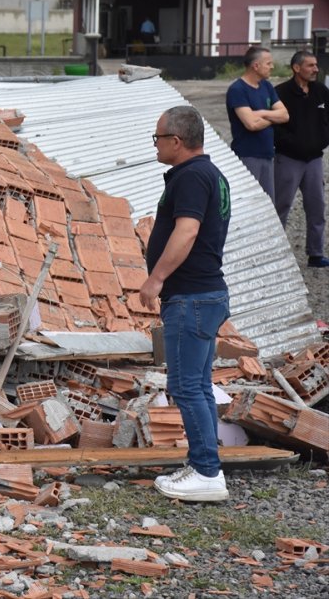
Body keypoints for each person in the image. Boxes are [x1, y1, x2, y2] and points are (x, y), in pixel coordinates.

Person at [140, 105, 231, 502]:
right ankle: (203, 464)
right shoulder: (209, 173)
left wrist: (156, 278)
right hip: (203, 295)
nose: (155, 144)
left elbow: (188, 230)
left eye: (158, 137)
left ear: (176, 141)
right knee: (199, 386)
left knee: (186, 386)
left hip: (191, 296)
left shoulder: (193, 177)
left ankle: (208, 473)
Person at [273, 51, 329, 268]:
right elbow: (275, 127)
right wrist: (290, 143)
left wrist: (323, 139)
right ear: (297, 68)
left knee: (317, 206)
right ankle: (275, 254)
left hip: (315, 160)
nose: (315, 69)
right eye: (310, 65)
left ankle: (315, 254)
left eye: (316, 65)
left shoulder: (320, 91)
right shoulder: (281, 93)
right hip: (288, 159)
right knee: (281, 205)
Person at [225, 46, 289, 199]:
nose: (272, 67)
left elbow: (285, 115)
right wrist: (274, 118)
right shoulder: (237, 89)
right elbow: (251, 124)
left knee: (268, 204)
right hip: (248, 156)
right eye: (268, 63)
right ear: (256, 66)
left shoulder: (266, 86)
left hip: (267, 155)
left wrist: (261, 113)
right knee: (250, 202)